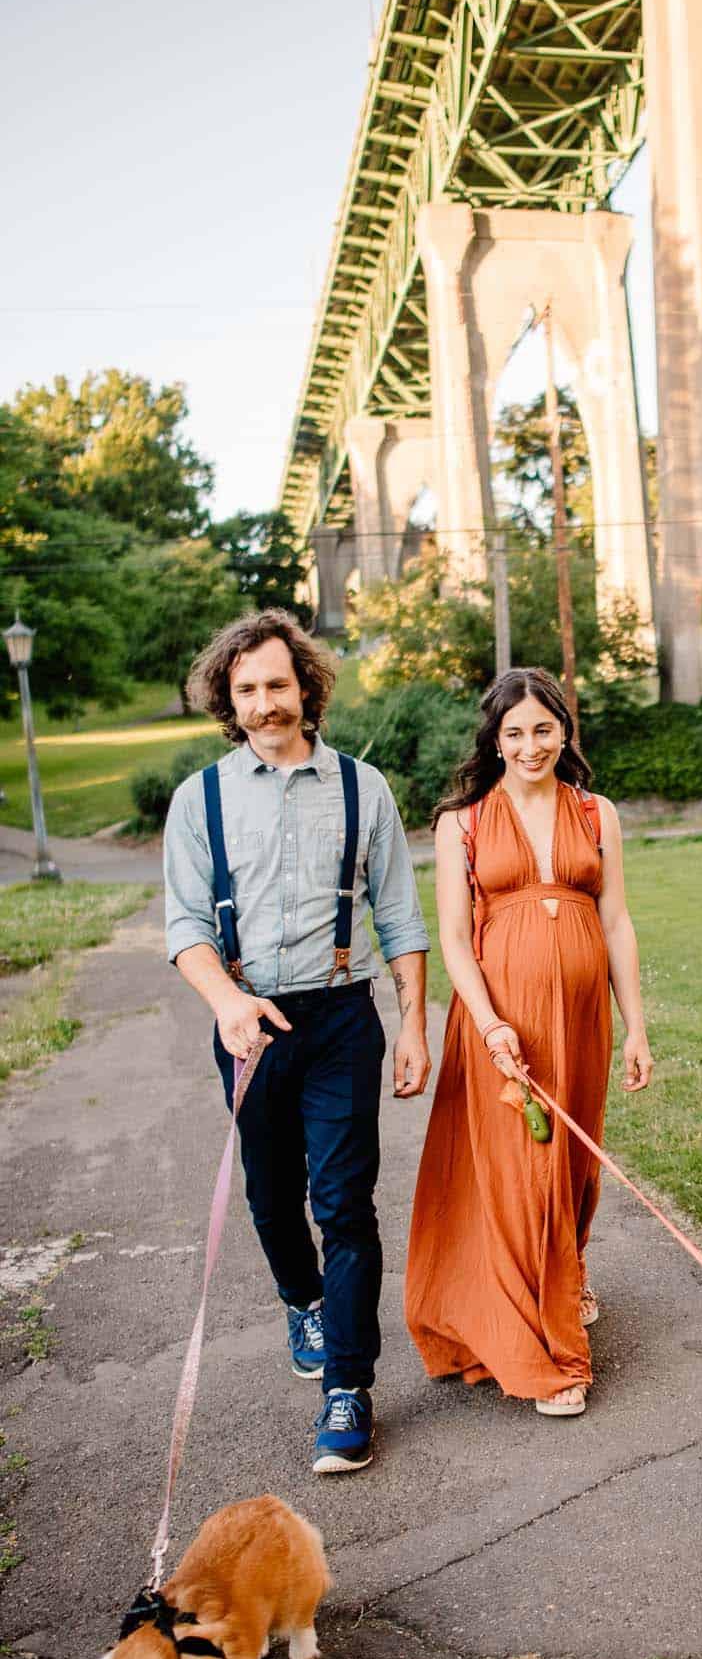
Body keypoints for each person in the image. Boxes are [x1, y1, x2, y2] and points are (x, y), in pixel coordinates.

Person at [163, 609, 431, 1475]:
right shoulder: (199, 798)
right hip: (249, 1026)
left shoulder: (364, 789)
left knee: (344, 1206)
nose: (264, 703)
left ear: (306, 688)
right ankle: (300, 1298)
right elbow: (185, 925)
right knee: (273, 1198)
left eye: (278, 684)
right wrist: (225, 1002)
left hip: (341, 1019)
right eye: (246, 690)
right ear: (226, 700)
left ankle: (348, 1390)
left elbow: (399, 917)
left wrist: (413, 1026)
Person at [405, 667, 652, 1416]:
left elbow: (614, 922)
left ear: (564, 731)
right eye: (514, 732)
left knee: (573, 1166)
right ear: (495, 739)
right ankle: (542, 1353)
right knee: (522, 1175)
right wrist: (489, 1023)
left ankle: (563, 1279)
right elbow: (452, 936)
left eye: (543, 728)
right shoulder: (464, 821)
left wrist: (636, 1025)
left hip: (581, 1021)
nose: (530, 745)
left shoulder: (595, 812)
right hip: (502, 1023)